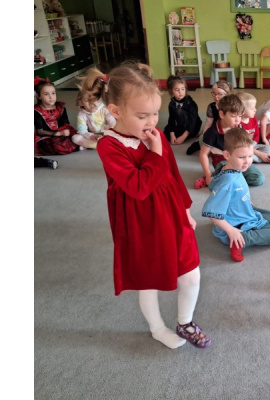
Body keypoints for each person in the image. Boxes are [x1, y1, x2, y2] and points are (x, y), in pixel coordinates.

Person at [92, 62, 211, 350]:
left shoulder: (155, 136)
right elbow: (138, 187)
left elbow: (174, 176)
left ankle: (185, 322)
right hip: (141, 223)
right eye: (142, 115)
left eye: (155, 113)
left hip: (171, 213)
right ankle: (157, 328)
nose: (151, 122)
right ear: (116, 111)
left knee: (191, 271)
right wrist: (155, 154)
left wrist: (186, 210)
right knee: (149, 281)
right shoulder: (109, 146)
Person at [202, 127, 270, 262]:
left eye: (250, 156)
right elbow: (211, 213)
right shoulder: (228, 181)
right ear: (227, 155)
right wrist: (231, 231)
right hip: (237, 225)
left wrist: (243, 200)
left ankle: (246, 221)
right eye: (242, 157)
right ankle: (242, 240)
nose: (247, 161)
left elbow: (214, 184)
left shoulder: (231, 166)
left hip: (243, 209)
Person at [196, 94, 265, 189]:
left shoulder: (240, 127)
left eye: (240, 116)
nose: (238, 120)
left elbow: (245, 147)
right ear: (222, 114)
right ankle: (215, 178)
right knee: (225, 181)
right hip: (223, 163)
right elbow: (203, 154)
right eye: (233, 116)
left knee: (259, 178)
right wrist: (208, 174)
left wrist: (250, 158)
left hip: (239, 161)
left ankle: (229, 179)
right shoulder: (212, 132)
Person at [34, 77, 79, 156]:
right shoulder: (37, 111)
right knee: (55, 146)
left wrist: (65, 132)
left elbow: (66, 123)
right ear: (39, 96)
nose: (51, 97)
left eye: (53, 93)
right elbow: (40, 131)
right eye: (46, 94)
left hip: (61, 134)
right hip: (47, 137)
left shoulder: (61, 107)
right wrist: (58, 134)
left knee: (75, 138)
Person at [186, 80, 233, 155]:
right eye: (214, 94)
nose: (216, 97)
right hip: (215, 131)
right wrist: (204, 136)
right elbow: (209, 123)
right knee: (202, 142)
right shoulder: (212, 107)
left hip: (228, 131)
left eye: (220, 94)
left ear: (227, 94)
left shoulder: (232, 107)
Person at [163, 75, 202, 145]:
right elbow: (171, 119)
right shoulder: (172, 104)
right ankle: (177, 133)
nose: (180, 92)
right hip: (180, 125)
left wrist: (183, 137)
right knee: (166, 133)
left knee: (179, 111)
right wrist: (172, 134)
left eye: (182, 89)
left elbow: (192, 121)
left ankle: (185, 134)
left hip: (192, 127)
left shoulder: (191, 103)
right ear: (171, 91)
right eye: (177, 90)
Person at [237, 92, 270, 164]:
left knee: (269, 149)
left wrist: (253, 144)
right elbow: (240, 145)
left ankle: (250, 158)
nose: (255, 110)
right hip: (241, 147)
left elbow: (257, 135)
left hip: (252, 145)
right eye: (252, 108)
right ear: (242, 110)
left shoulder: (253, 119)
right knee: (241, 152)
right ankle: (252, 158)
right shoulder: (237, 123)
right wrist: (260, 154)